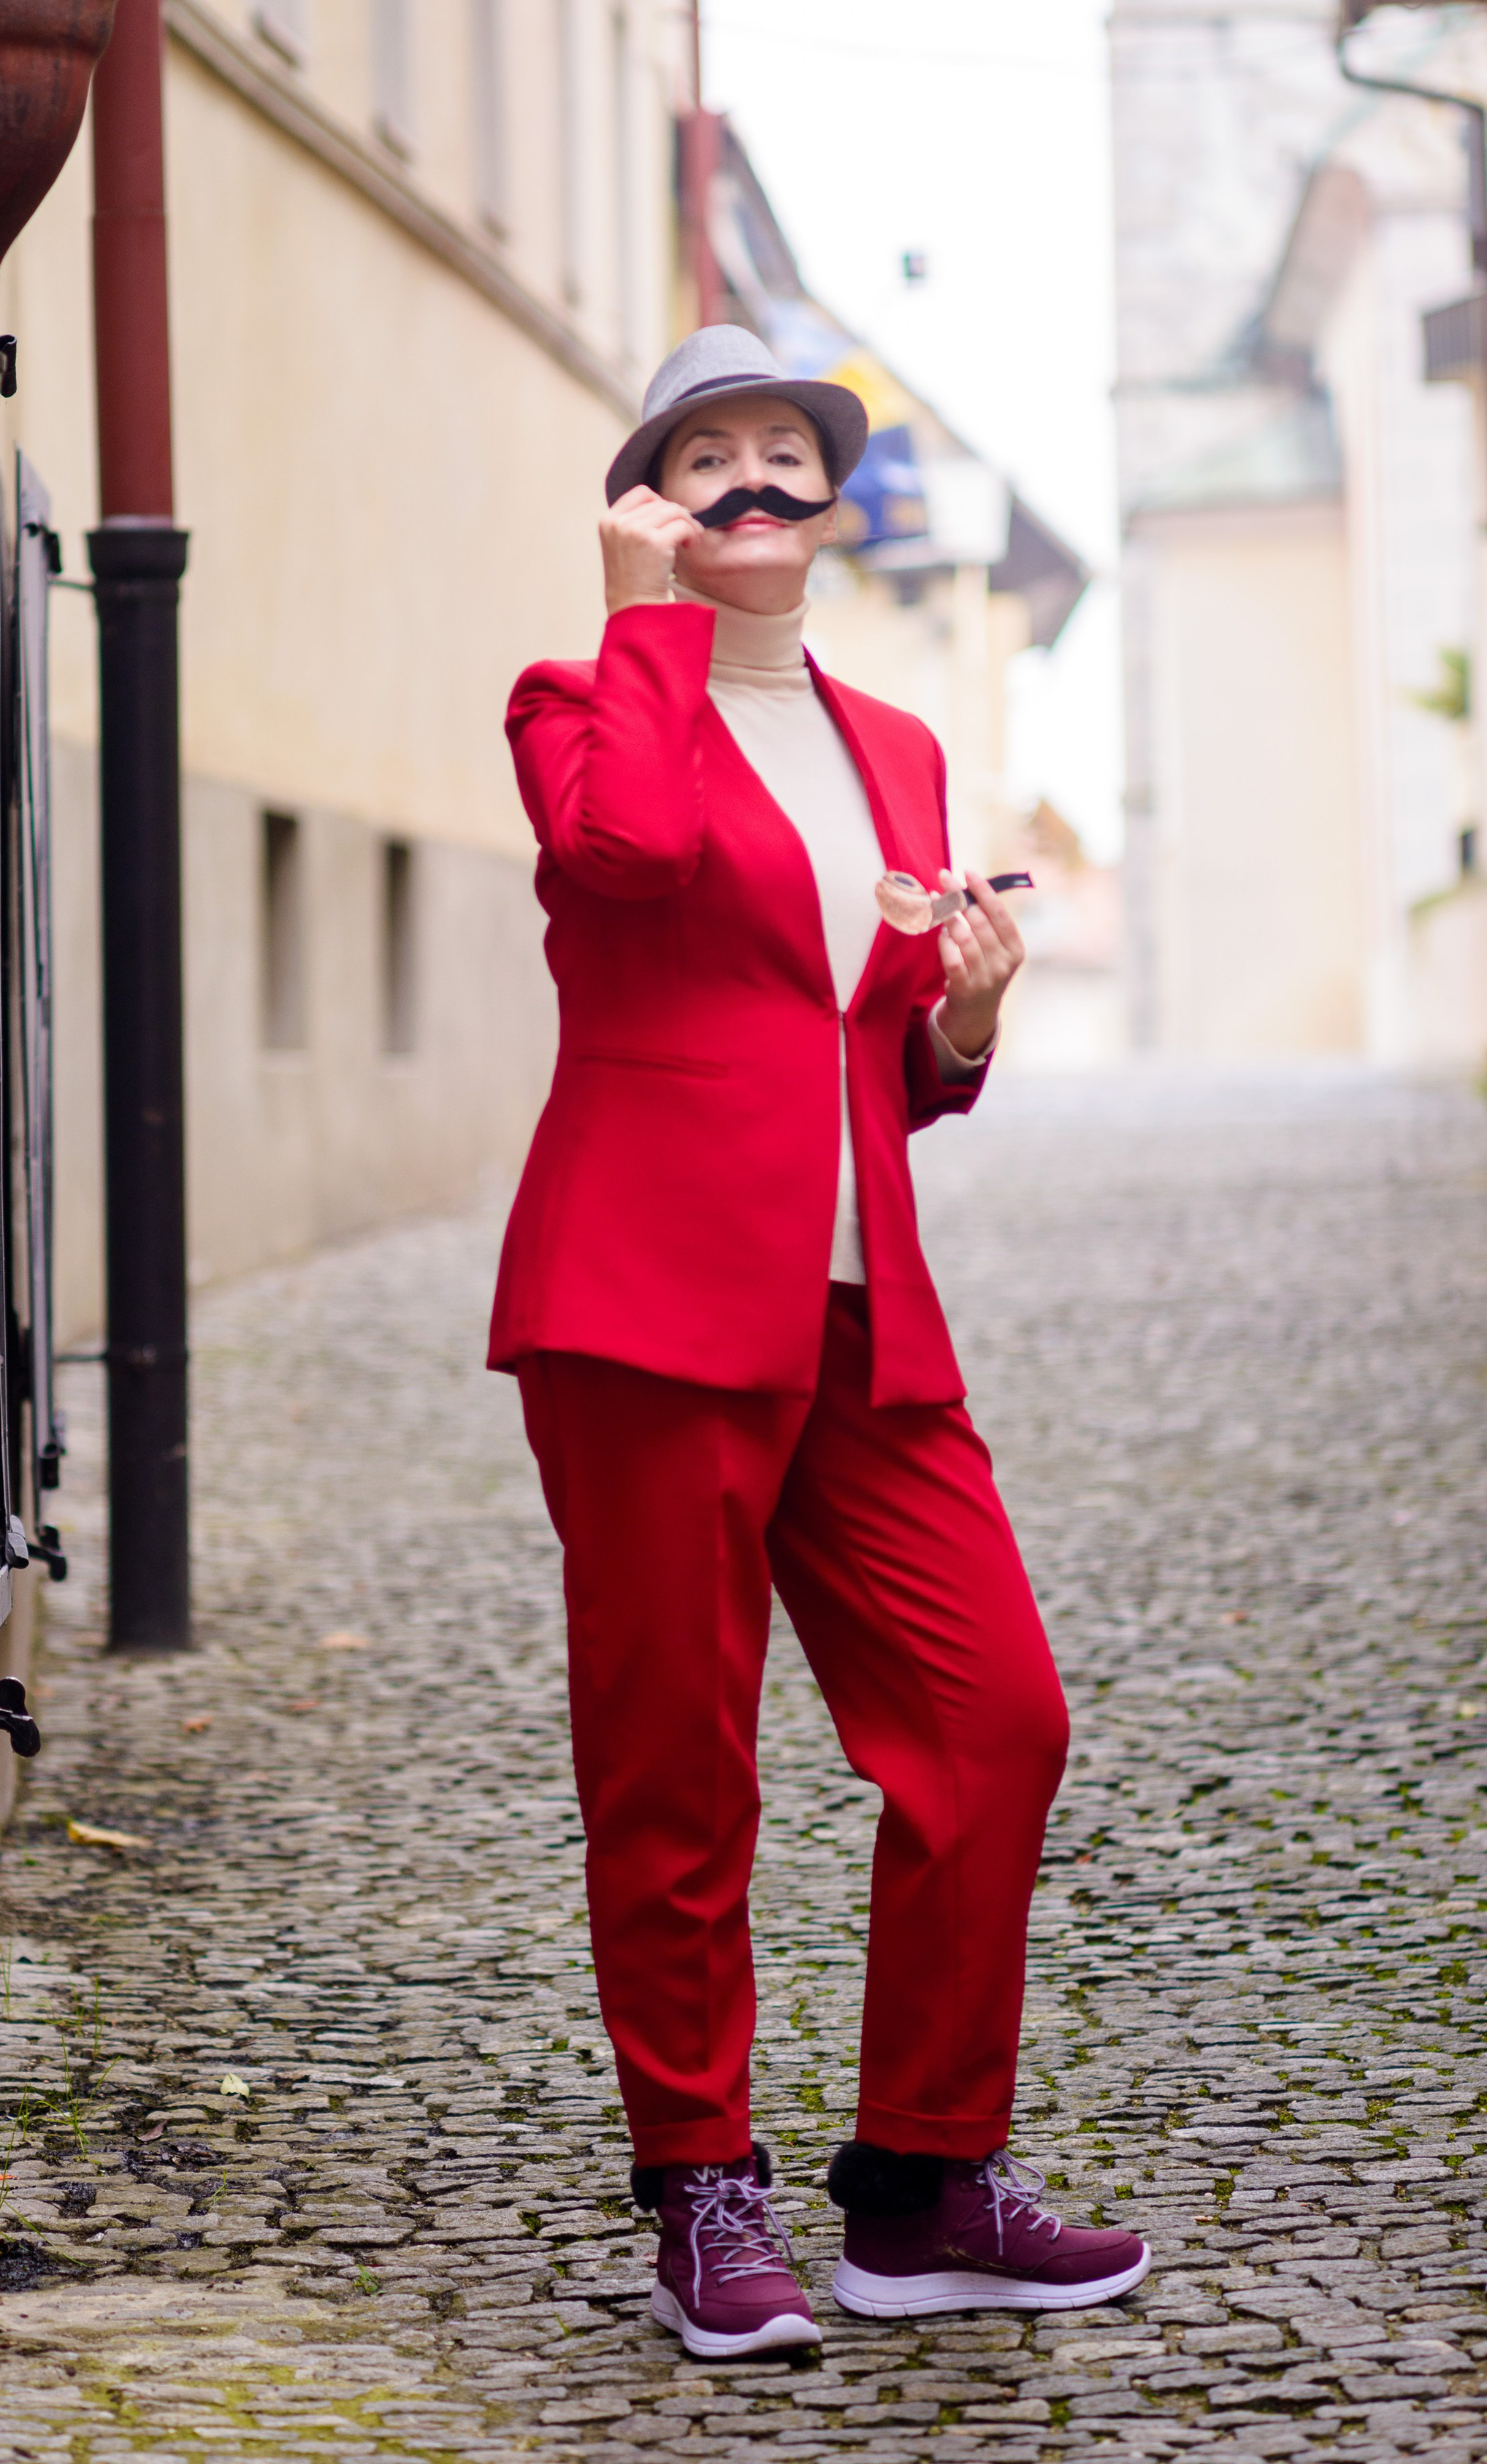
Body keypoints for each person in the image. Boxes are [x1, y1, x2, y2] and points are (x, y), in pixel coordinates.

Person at [488, 327, 1149, 2359]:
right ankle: (703, 2186)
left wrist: (964, 1014)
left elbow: (886, 1058)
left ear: (834, 496)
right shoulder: (578, 697)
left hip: (865, 1315)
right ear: (653, 496)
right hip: (646, 1297)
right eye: (713, 454)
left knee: (994, 1717)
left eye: (790, 451)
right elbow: (624, 861)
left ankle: (920, 2185)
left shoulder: (903, 748)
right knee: (678, 1765)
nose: (759, 480)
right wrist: (635, 620)